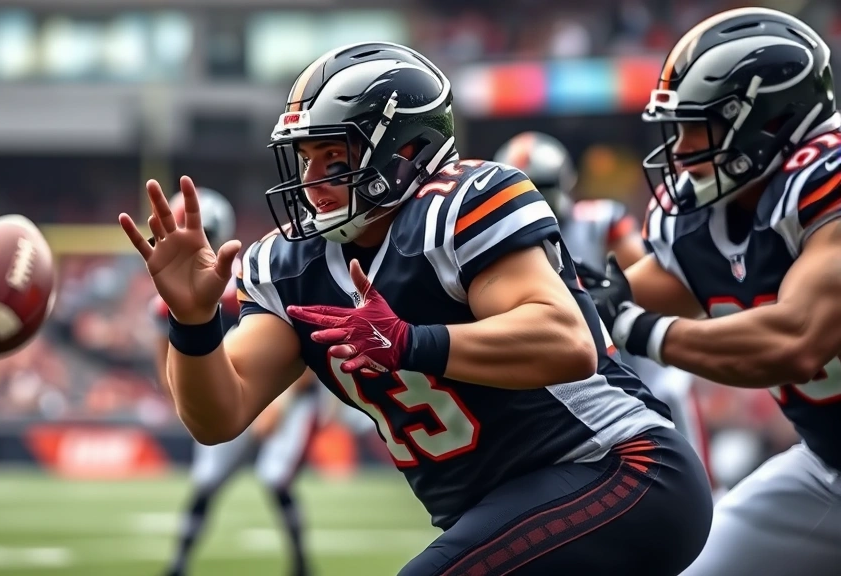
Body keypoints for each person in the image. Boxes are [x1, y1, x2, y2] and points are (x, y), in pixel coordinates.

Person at [121, 42, 711, 575]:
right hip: (503, 506)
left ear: (406, 151)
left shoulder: (459, 207)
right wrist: (193, 322)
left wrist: (408, 342)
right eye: (304, 159)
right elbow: (217, 415)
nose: (311, 181)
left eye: (332, 157)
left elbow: (566, 342)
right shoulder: (290, 267)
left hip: (618, 470)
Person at [578, 8, 841, 576]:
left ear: (773, 120)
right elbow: (630, 292)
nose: (679, 150)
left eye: (700, 126)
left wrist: (633, 328)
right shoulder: (708, 219)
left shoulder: (826, 187)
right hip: (828, 464)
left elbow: (798, 339)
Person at [494, 132, 711, 479]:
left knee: (688, 471)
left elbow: (644, 284)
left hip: (639, 364)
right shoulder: (498, 241)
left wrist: (611, 298)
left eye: (540, 184)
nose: (532, 196)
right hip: (583, 378)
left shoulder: (598, 221)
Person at [149, 188, 316, 576]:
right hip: (230, 390)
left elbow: (306, 344)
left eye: (202, 230)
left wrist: (283, 402)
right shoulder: (167, 297)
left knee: (276, 478)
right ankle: (178, 564)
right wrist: (190, 400)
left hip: (280, 391)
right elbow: (169, 371)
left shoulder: (252, 276)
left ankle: (301, 565)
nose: (190, 240)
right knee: (206, 482)